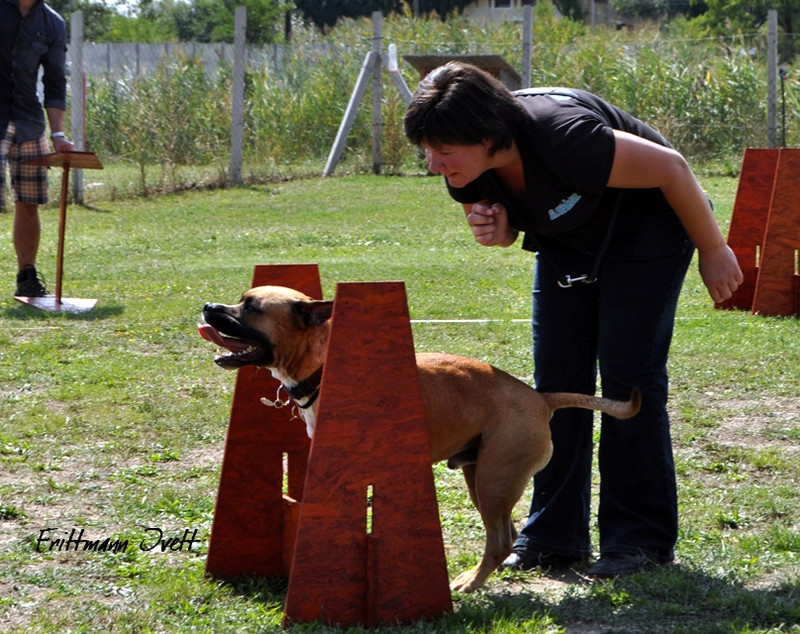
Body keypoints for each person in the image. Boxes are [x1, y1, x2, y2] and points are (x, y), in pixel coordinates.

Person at [404, 62, 742, 578]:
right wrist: (500, 229)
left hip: (649, 232)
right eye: (427, 149)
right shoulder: (466, 171)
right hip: (568, 249)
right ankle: (553, 536)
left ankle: (639, 541)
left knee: (630, 378)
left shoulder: (565, 134)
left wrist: (713, 250)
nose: (432, 165)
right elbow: (517, 221)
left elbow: (672, 167)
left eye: (443, 151)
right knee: (556, 385)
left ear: (489, 136)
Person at [1, 0, 74, 297]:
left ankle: (26, 278)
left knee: (29, 202)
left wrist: (58, 132)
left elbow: (55, 80)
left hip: (29, 120)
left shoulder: (53, 23)